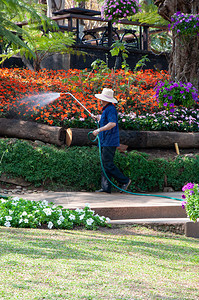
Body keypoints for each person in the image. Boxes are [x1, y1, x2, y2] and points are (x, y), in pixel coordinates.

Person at [92, 88, 131, 194]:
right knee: (105, 164)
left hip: (110, 141)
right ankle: (106, 187)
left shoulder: (110, 109)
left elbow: (112, 123)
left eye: (102, 99)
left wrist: (99, 130)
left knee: (108, 164)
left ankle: (124, 180)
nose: (100, 100)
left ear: (106, 100)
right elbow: (106, 121)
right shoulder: (106, 109)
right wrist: (99, 118)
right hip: (106, 140)